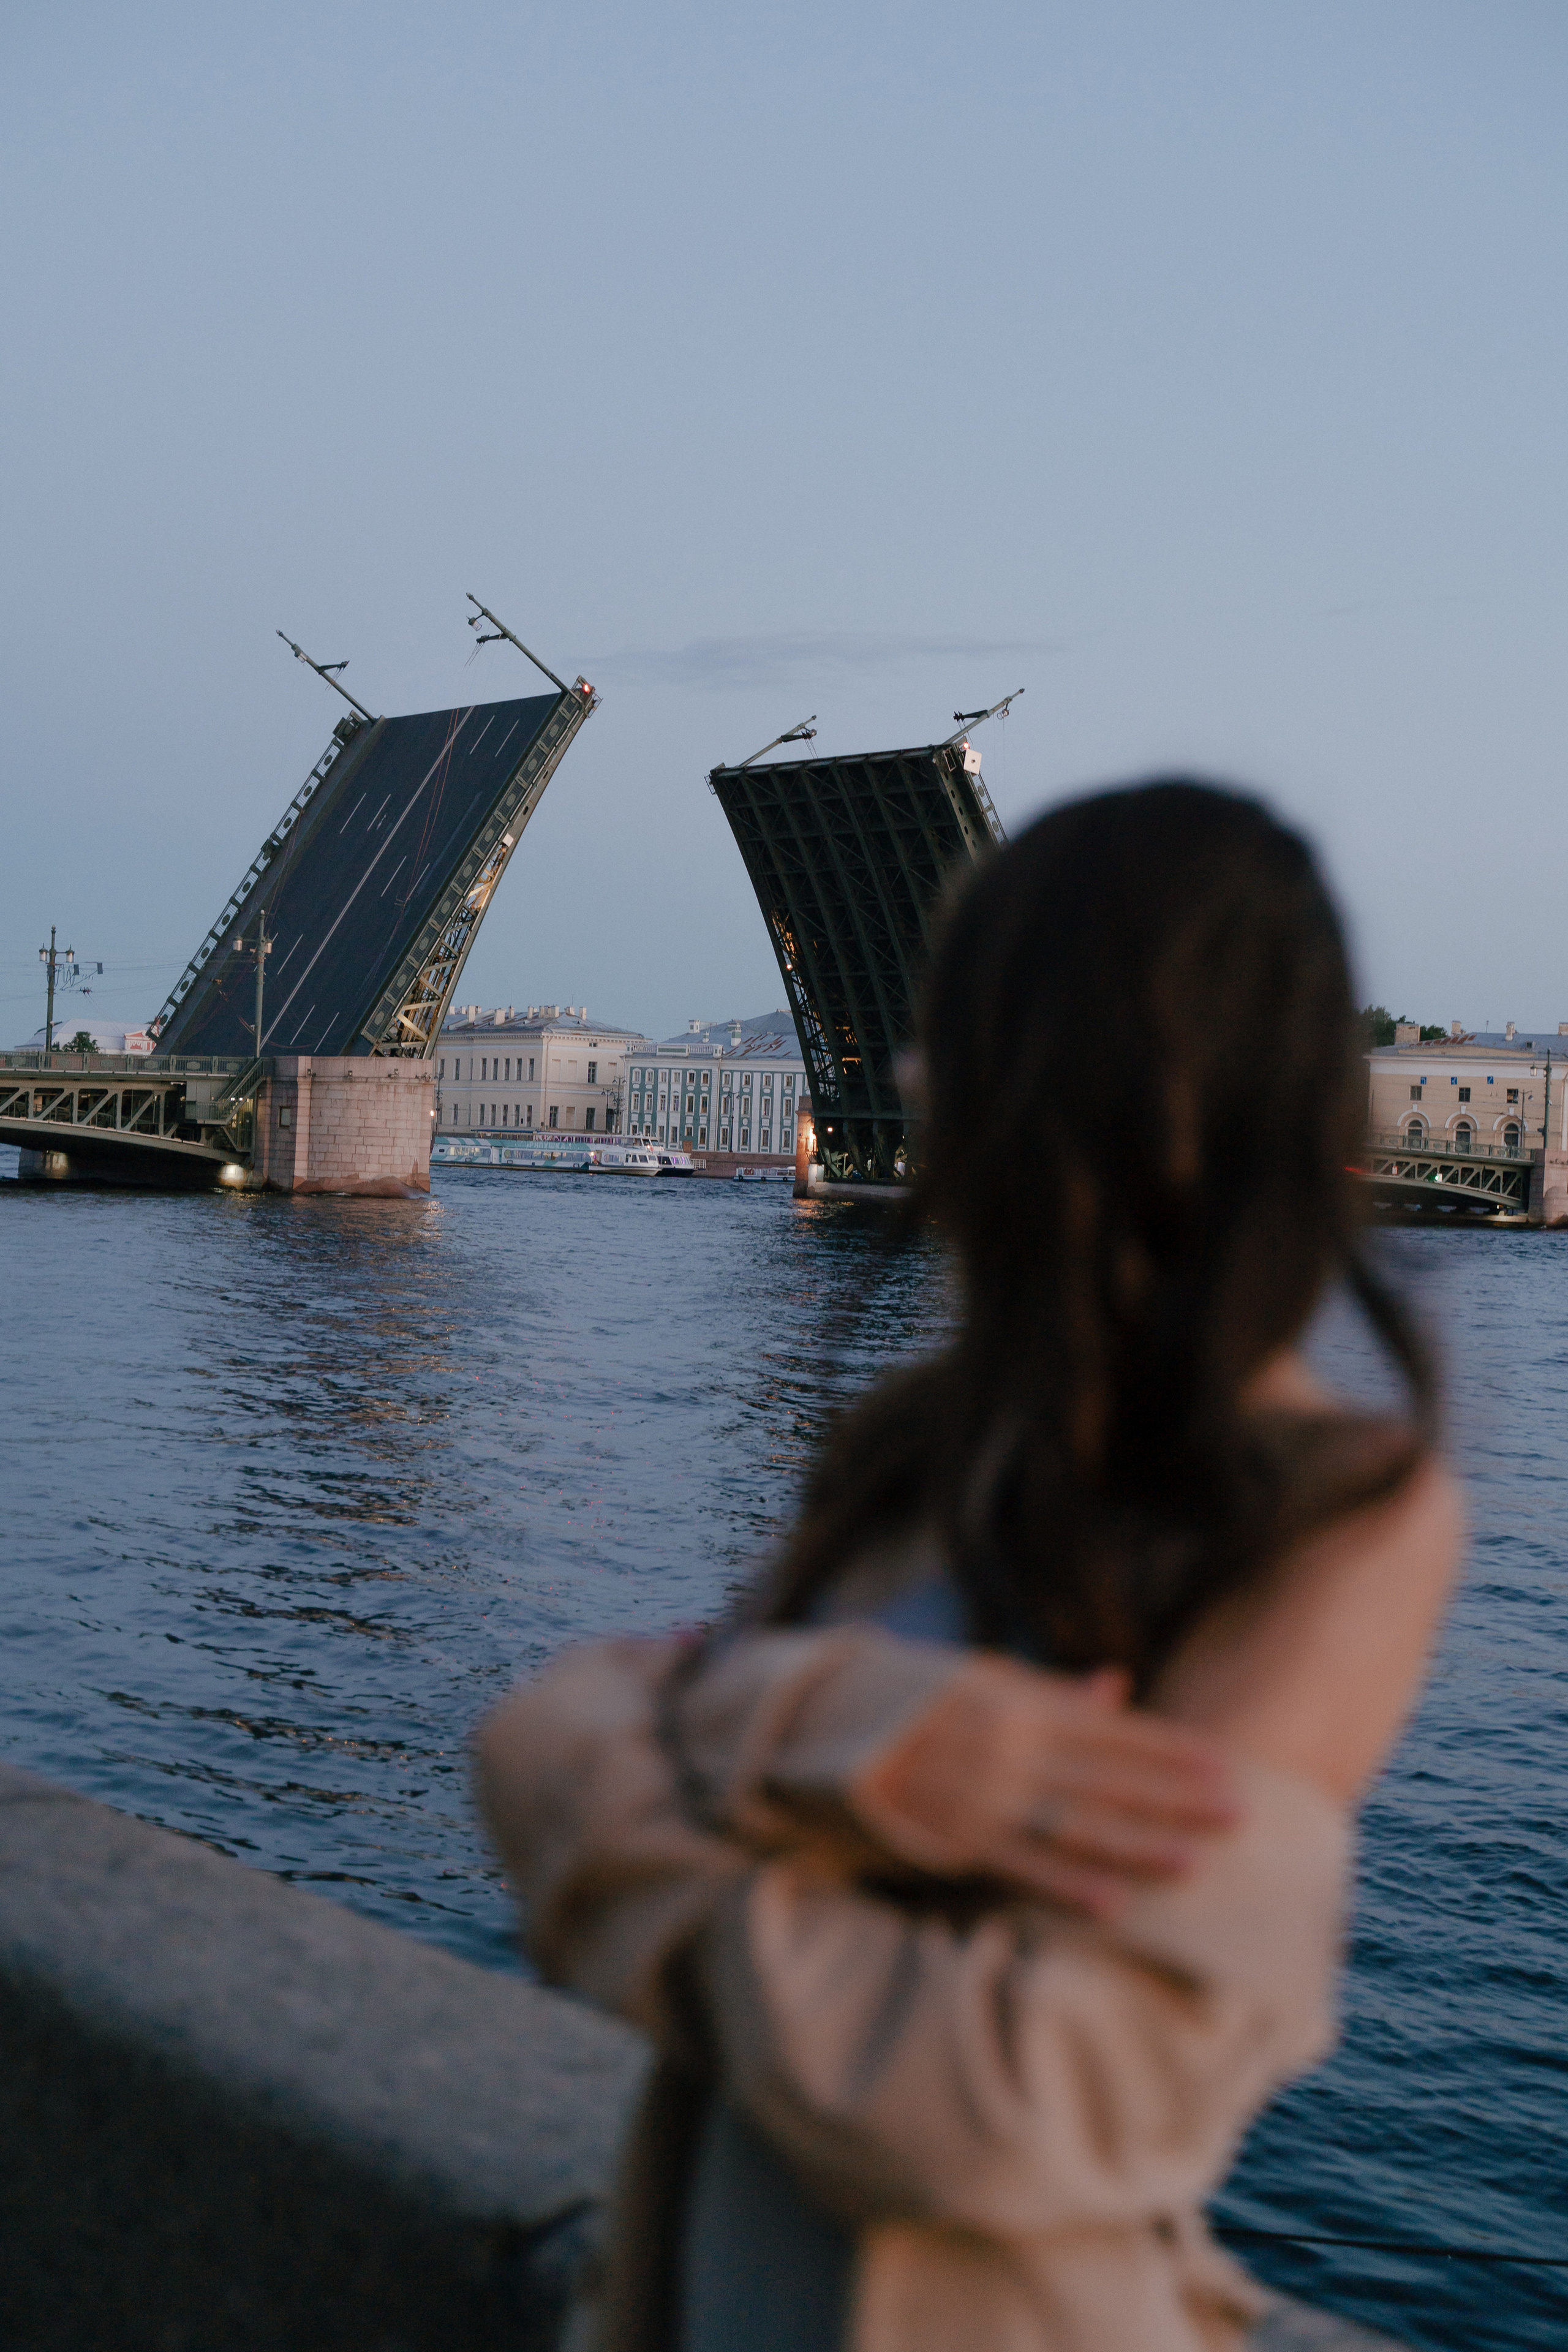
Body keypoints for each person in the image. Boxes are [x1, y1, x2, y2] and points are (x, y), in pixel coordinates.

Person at [477, 778, 1462, 2352]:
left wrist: (653, 1819)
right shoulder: (917, 1446)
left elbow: (1005, 2108)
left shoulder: (1335, 1512)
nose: (919, 1078)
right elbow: (520, 1735)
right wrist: (837, 1729)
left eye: (967, 1032)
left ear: (1130, 1077)